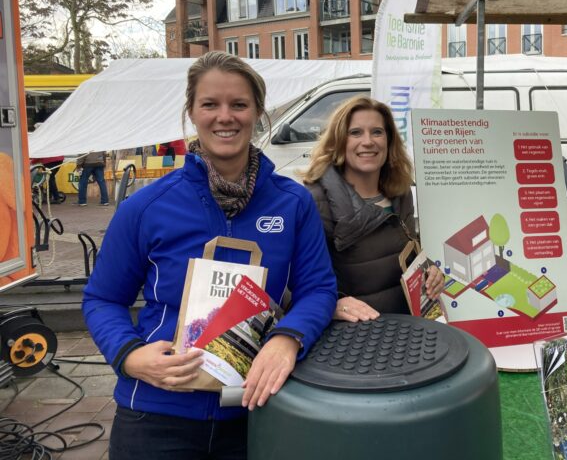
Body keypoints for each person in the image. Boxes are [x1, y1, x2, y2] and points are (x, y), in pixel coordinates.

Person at [82, 51, 337, 460]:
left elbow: (319, 288)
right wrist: (129, 355)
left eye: (239, 104)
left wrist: (288, 339)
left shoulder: (293, 203)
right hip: (157, 411)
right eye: (210, 104)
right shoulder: (146, 206)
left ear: (258, 113)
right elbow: (102, 298)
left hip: (257, 408)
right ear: (192, 112)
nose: (225, 116)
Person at [303, 96, 443, 322]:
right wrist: (331, 305)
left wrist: (430, 271)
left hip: (407, 327)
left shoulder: (401, 191)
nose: (368, 141)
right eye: (355, 133)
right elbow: (299, 281)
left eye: (377, 132)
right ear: (338, 141)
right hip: (355, 337)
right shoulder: (315, 200)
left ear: (389, 141)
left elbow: (405, 250)